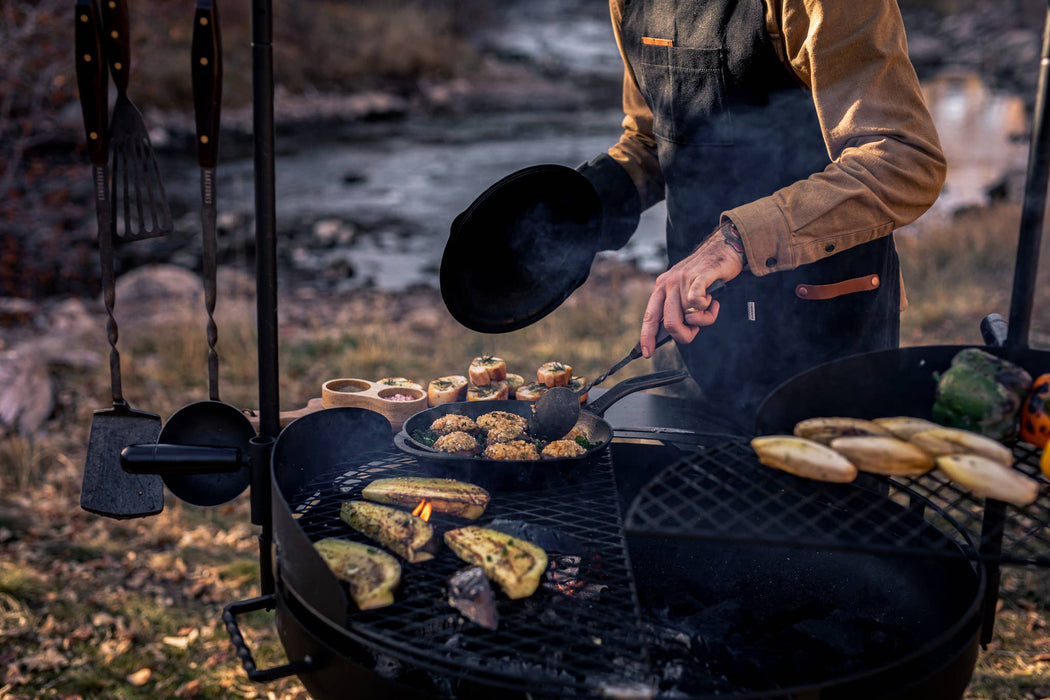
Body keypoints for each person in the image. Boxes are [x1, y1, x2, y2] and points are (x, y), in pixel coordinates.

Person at [574, 0, 946, 432]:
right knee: (678, 494)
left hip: (821, 338)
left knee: (830, 500)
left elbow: (902, 158)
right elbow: (652, 139)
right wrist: (570, 211)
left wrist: (737, 240)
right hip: (692, 331)